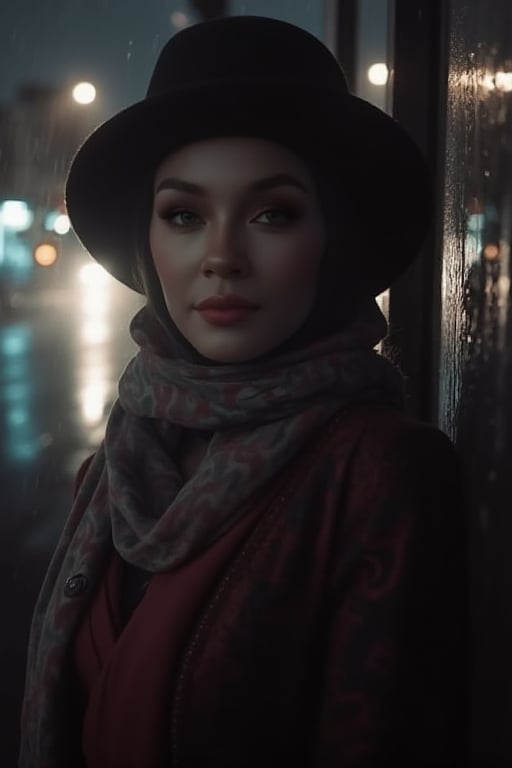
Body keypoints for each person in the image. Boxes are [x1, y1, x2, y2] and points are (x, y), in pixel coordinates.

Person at [19, 15, 468, 768]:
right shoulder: (119, 465)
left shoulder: (385, 471)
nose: (222, 256)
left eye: (273, 214)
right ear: (147, 237)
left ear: (334, 237)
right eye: (185, 215)